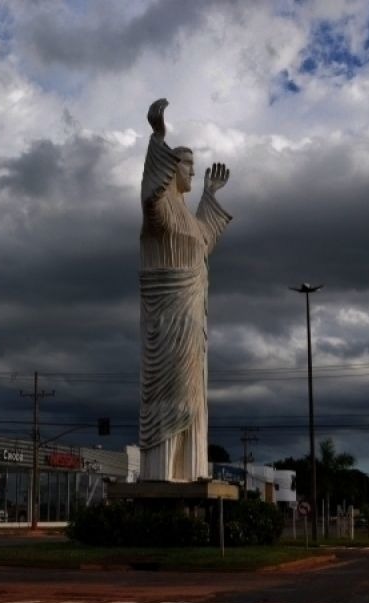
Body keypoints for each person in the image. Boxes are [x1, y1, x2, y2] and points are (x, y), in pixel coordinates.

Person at [138, 98, 233, 482]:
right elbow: (149, 197)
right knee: (172, 392)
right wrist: (158, 137)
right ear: (170, 169)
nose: (192, 171)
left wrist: (210, 195)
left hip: (194, 319)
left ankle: (192, 470)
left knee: (194, 395)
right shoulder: (161, 213)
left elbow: (204, 240)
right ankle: (161, 474)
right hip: (169, 316)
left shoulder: (189, 221)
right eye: (187, 165)